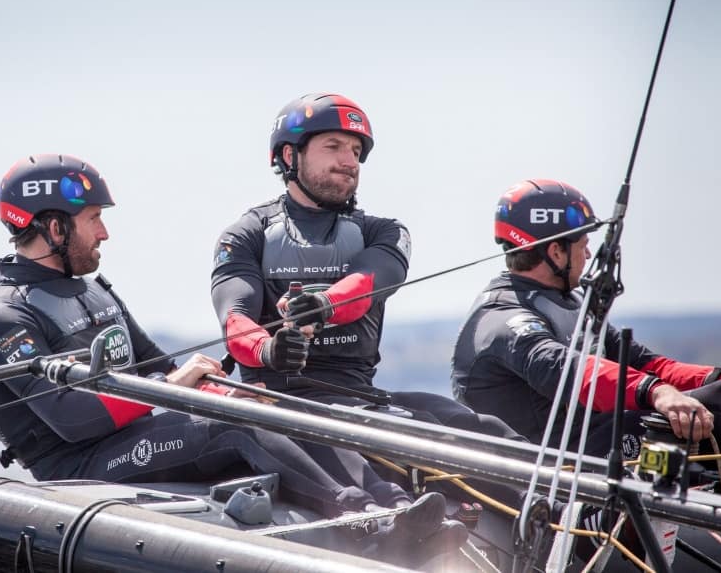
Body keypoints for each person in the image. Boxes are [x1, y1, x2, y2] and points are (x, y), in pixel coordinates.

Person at [0, 154, 464, 565]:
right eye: (94, 219)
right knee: (231, 426)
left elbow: (153, 362)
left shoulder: (94, 292)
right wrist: (179, 386)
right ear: (53, 227)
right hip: (80, 463)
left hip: (133, 432)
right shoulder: (1, 316)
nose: (104, 233)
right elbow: (75, 420)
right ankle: (367, 522)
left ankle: (398, 507)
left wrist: (208, 381)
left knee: (266, 402)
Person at [209, 94, 533, 521]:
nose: (349, 161)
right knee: (360, 436)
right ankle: (391, 518)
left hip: (361, 394)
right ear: (290, 155)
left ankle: (568, 513)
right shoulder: (247, 233)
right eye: (334, 147)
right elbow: (236, 319)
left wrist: (321, 304)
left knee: (472, 428)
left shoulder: (383, 231)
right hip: (283, 400)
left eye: (356, 151)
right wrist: (269, 350)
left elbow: (367, 284)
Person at [451, 178, 721, 457]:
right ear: (556, 252)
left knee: (720, 397)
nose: (589, 254)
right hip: (555, 470)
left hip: (596, 439)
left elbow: (647, 364)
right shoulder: (502, 318)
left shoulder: (570, 302)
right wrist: (657, 393)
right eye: (583, 244)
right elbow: (567, 369)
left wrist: (714, 377)